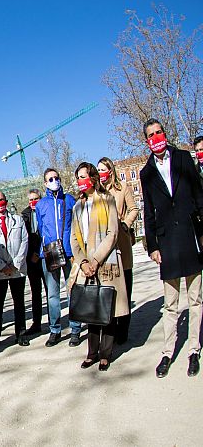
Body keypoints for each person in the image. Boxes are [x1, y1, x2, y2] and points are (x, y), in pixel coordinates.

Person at [139, 118, 203, 378]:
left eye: (159, 132)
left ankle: (193, 350)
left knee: (196, 299)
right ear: (146, 140)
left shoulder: (184, 159)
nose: (156, 137)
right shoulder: (146, 173)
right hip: (167, 244)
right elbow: (148, 211)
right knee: (171, 303)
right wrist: (152, 245)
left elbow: (199, 196)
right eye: (151, 135)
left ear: (165, 133)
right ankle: (167, 352)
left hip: (190, 236)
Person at [69, 162, 129, 371]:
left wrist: (95, 260)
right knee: (91, 310)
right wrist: (84, 262)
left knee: (108, 310)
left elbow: (113, 234)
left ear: (93, 178)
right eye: (77, 178)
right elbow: (74, 240)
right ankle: (91, 353)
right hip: (86, 265)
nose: (80, 181)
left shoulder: (107, 200)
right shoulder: (77, 206)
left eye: (83, 176)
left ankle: (105, 354)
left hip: (106, 262)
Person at [35, 168, 80, 347]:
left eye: (56, 178)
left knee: (73, 291)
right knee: (53, 294)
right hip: (49, 252)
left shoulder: (69, 200)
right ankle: (55, 330)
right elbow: (40, 227)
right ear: (45, 183)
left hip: (69, 251)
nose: (54, 181)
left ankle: (75, 329)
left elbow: (76, 223)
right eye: (50, 179)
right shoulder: (41, 205)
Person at [97, 157, 139, 345]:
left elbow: (134, 209)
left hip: (121, 242)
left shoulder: (122, 188)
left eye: (102, 169)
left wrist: (125, 224)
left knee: (125, 290)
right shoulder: (97, 192)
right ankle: (110, 331)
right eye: (98, 170)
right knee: (109, 291)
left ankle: (123, 331)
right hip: (105, 246)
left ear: (111, 170)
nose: (100, 173)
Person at [0, 191, 29, 348]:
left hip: (17, 269)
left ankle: (21, 334)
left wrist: (15, 264)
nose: (0, 203)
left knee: (19, 303)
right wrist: (2, 266)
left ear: (6, 202)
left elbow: (24, 242)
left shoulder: (18, 220)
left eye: (2, 200)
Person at [21, 190, 47, 335]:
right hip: (31, 260)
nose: (33, 202)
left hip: (45, 256)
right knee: (36, 293)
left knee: (50, 291)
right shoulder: (24, 215)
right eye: (31, 199)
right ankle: (36, 323)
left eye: (36, 199)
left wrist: (39, 252)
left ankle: (53, 322)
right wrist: (32, 255)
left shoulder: (45, 210)